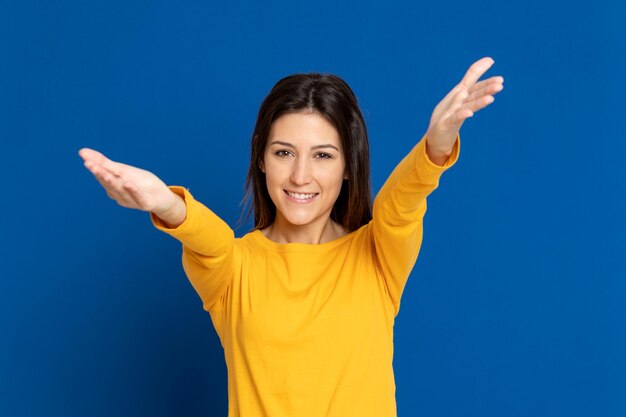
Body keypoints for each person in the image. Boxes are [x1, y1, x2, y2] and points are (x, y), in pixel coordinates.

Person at [79, 57, 504, 417]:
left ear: (348, 165)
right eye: (284, 152)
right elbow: (209, 241)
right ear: (262, 159)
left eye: (323, 155)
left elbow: (401, 205)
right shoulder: (234, 269)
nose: (301, 175)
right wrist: (167, 204)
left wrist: (434, 148)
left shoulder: (377, 254)